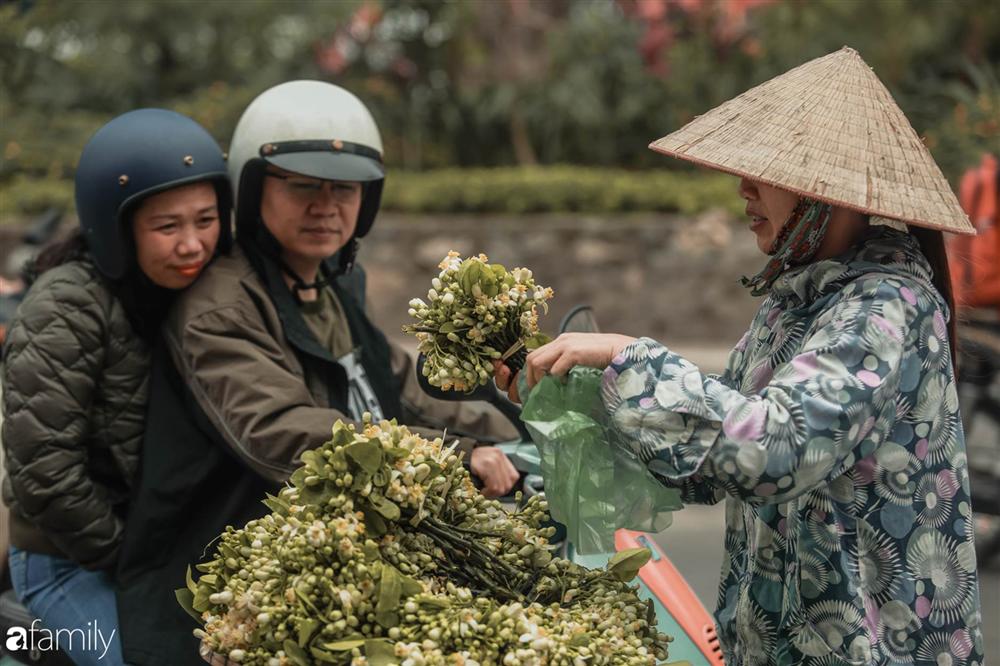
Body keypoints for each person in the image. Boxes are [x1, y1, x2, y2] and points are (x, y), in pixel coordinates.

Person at [496, 48, 985, 665]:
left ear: (825, 190)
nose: (744, 187)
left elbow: (772, 449)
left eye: (768, 170)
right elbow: (710, 461)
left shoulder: (888, 307)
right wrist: (579, 400)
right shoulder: (794, 302)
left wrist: (629, 356)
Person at [115, 81, 519, 665]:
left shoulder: (330, 282)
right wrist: (454, 455)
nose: (326, 205)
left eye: (345, 188)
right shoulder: (221, 305)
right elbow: (284, 431)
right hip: (233, 588)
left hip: (345, 560)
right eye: (303, 185)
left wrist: (514, 423)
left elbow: (399, 388)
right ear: (253, 191)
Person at [1, 108, 230, 666]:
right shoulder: (67, 305)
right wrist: (134, 557)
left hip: (166, 553)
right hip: (70, 561)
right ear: (116, 227)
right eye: (167, 226)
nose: (193, 244)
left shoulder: (204, 291)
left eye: (206, 219)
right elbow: (44, 474)